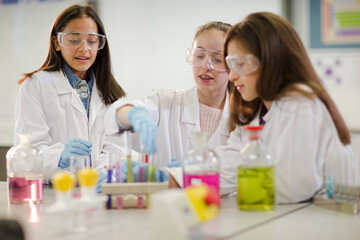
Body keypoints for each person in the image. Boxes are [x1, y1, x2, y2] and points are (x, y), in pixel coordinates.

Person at [214, 12, 354, 203]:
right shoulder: (256, 112)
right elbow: (231, 161)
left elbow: (293, 188)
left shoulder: (299, 102)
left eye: (239, 64)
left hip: (332, 220)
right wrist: (182, 176)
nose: (231, 77)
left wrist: (247, 182)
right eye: (230, 65)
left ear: (271, 59)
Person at [104, 21, 233, 187]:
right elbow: (117, 113)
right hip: (168, 208)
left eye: (217, 59)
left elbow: (233, 172)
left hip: (226, 210)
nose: (205, 66)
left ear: (233, 65)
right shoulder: (167, 102)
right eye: (199, 56)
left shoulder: (244, 117)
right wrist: (131, 114)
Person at [15, 5, 126, 180]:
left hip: (96, 191)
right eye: (74, 40)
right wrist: (59, 157)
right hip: (52, 193)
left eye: (91, 41)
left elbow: (115, 148)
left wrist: (105, 173)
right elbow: (27, 154)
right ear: (56, 43)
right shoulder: (36, 85)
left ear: (100, 44)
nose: (84, 49)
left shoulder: (109, 91)